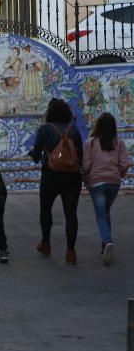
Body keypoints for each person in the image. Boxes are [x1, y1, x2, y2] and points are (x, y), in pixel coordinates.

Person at [28, 98, 84, 265]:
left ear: (50, 113)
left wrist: (33, 153)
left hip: (50, 176)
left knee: (46, 211)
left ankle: (46, 243)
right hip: (72, 177)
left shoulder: (45, 130)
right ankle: (71, 252)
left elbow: (37, 157)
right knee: (71, 214)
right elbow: (79, 156)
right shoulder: (73, 130)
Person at [82, 112, 129, 266]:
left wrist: (86, 178)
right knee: (105, 212)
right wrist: (119, 174)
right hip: (114, 183)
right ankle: (104, 246)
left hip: (97, 183)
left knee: (101, 215)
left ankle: (107, 241)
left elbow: (87, 166)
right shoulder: (119, 143)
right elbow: (124, 165)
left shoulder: (91, 143)